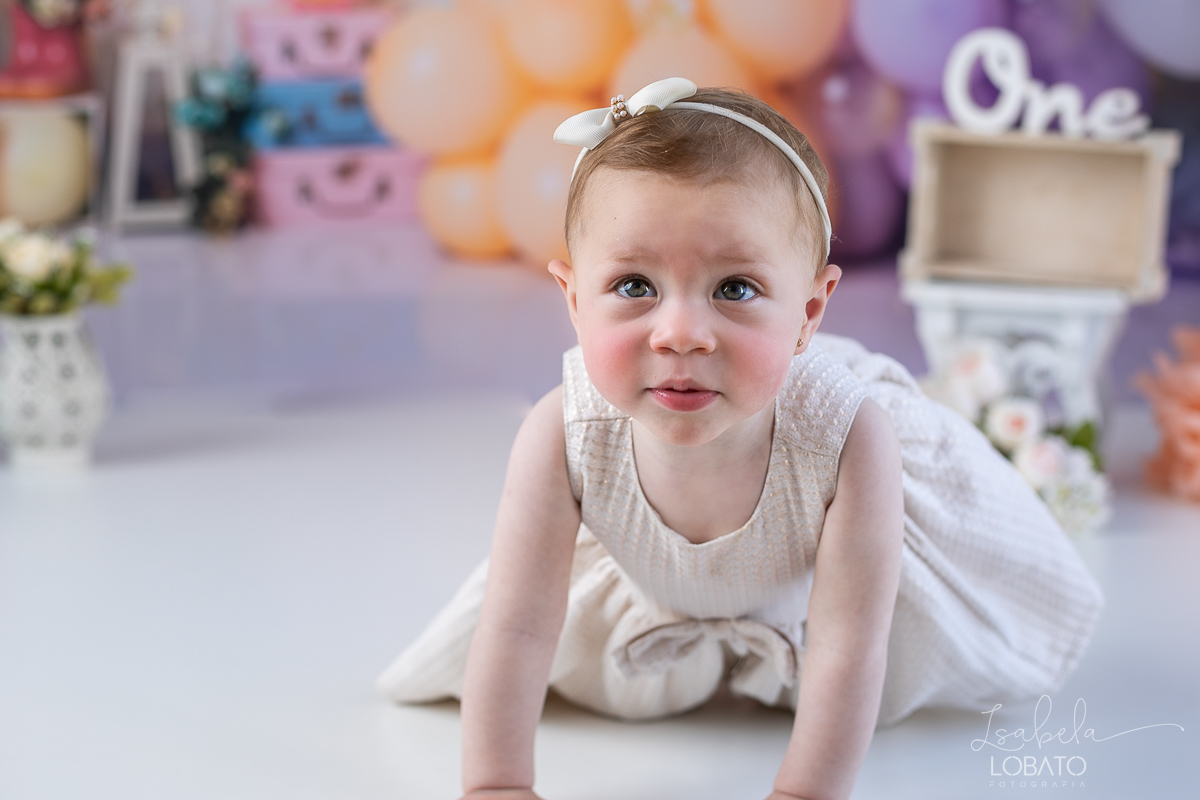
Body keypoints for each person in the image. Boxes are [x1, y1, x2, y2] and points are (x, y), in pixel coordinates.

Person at [377, 78, 1104, 800]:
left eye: (735, 288)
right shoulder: (561, 434)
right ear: (572, 300)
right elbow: (518, 630)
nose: (682, 333)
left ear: (810, 310)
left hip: (816, 624)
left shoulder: (848, 439)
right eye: (634, 286)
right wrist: (496, 784)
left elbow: (848, 647)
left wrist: (804, 792)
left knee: (858, 679)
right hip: (651, 605)